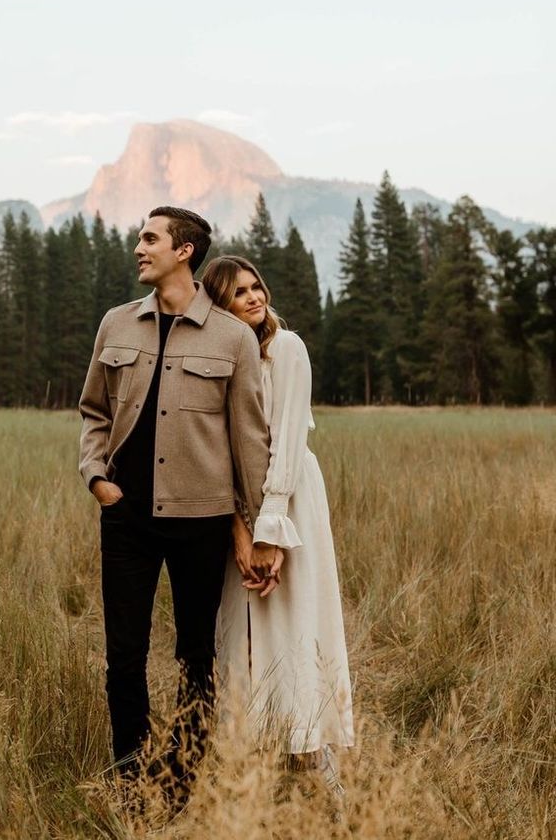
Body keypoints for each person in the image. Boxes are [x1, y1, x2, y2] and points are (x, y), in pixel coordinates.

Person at [78, 209, 278, 797]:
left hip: (202, 521)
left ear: (184, 251)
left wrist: (258, 528)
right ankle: (130, 778)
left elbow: (250, 442)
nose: (138, 248)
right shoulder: (115, 325)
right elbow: (94, 412)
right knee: (124, 655)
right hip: (126, 518)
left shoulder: (233, 338)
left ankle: (181, 780)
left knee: (196, 655)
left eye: (149, 238)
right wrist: (97, 478)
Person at [202, 255, 354, 783]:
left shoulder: (283, 349)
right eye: (237, 293)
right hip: (241, 510)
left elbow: (287, 445)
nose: (253, 297)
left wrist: (271, 531)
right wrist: (241, 529)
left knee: (293, 623)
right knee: (241, 634)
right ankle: (253, 774)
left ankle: (318, 766)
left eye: (256, 286)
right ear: (218, 308)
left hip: (288, 502)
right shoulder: (222, 362)